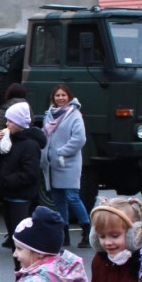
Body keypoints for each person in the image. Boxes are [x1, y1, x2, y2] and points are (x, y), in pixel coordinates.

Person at [0, 101, 45, 268]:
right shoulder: (11, 140)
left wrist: (8, 181)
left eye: (10, 121)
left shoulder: (30, 145)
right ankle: (18, 278)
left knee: (21, 242)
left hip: (20, 199)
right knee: (15, 243)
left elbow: (31, 174)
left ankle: (22, 276)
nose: (6, 124)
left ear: (20, 123)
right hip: (8, 196)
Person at [41, 84, 91, 248]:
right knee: (58, 200)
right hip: (52, 164)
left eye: (63, 95)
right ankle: (64, 234)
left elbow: (79, 139)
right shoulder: (48, 115)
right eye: (57, 95)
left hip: (68, 163)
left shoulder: (75, 115)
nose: (61, 98)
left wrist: (62, 152)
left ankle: (86, 230)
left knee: (72, 197)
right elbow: (44, 137)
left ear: (69, 97)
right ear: (53, 98)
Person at [0, 83, 31, 240]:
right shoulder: (23, 109)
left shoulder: (5, 108)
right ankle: (10, 238)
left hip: (2, 161)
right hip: (8, 166)